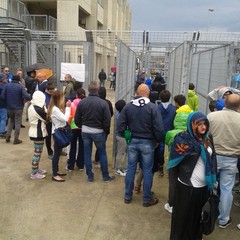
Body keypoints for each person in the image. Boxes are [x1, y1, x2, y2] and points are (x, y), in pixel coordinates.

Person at [168, 111, 217, 240]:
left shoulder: (207, 138)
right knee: (182, 221)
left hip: (203, 189)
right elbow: (174, 165)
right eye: (199, 124)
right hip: (187, 188)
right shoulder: (182, 139)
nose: (203, 127)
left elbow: (213, 159)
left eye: (205, 124)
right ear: (191, 124)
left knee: (197, 220)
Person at [117, 84, 164, 207]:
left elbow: (120, 126)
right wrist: (157, 140)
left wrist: (127, 136)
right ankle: (146, 198)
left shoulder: (128, 107)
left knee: (131, 169)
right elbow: (159, 128)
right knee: (147, 170)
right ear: (148, 94)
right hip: (148, 143)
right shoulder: (153, 108)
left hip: (132, 141)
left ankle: (127, 196)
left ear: (136, 93)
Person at [208, 93, 240, 229]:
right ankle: (223, 220)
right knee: (227, 189)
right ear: (238, 106)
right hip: (232, 158)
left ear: (224, 102)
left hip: (213, 157)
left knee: (208, 185)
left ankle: (205, 214)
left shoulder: (212, 117)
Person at [74, 81, 115, 182]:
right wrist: (105, 130)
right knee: (102, 153)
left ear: (88, 90)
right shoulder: (103, 103)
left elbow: (77, 119)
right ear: (97, 90)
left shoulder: (82, 102)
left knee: (87, 153)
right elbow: (107, 119)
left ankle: (90, 176)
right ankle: (105, 176)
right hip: (99, 131)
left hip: (85, 131)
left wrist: (82, 126)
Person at [164, 94, 192, 213]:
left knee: (173, 181)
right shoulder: (192, 135)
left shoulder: (171, 134)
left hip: (174, 160)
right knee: (187, 180)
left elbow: (167, 142)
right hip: (188, 160)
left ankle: (172, 204)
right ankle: (186, 204)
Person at [47, 91, 71, 182]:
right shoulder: (55, 109)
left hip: (58, 131)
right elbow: (65, 118)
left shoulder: (55, 108)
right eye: (62, 97)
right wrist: (68, 108)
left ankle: (56, 171)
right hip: (59, 132)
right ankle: (54, 174)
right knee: (56, 154)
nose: (64, 99)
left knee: (58, 152)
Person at [2, 75, 31, 144]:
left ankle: (8, 136)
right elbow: (26, 96)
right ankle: (16, 139)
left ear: (12, 79)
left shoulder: (7, 86)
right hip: (18, 108)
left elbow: (2, 96)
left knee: (10, 121)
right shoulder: (20, 86)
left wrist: (7, 102)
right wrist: (29, 97)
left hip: (9, 107)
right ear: (18, 80)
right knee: (17, 122)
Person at [28, 91, 48, 180]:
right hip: (38, 133)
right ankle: (34, 173)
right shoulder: (38, 109)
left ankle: (36, 169)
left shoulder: (31, 106)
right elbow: (47, 118)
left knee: (38, 153)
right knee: (37, 153)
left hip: (35, 131)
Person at [66, 88, 86, 171]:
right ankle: (80, 165)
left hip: (74, 127)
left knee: (73, 147)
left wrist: (69, 124)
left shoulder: (72, 104)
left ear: (76, 95)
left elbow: (70, 116)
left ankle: (70, 166)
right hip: (83, 127)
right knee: (82, 146)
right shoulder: (85, 103)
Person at [94, 86, 113, 166]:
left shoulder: (95, 102)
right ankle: (98, 160)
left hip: (95, 126)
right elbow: (111, 113)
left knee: (98, 145)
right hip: (105, 127)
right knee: (101, 145)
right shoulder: (108, 102)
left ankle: (97, 159)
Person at [114, 99, 127, 177]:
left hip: (120, 135)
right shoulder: (122, 115)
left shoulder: (118, 114)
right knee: (121, 152)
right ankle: (118, 169)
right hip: (122, 136)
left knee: (121, 152)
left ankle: (121, 168)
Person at [44, 82, 55, 159]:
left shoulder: (53, 96)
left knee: (56, 135)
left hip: (54, 119)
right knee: (48, 137)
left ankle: (58, 150)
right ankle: (49, 152)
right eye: (50, 91)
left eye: (53, 91)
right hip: (48, 120)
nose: (52, 92)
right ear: (46, 90)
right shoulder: (44, 97)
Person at [0, 73, 8, 138]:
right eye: (5, 78)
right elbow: (4, 96)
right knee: (4, 118)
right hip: (3, 104)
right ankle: (2, 132)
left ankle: (1, 130)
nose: (6, 79)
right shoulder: (3, 86)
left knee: (1, 118)